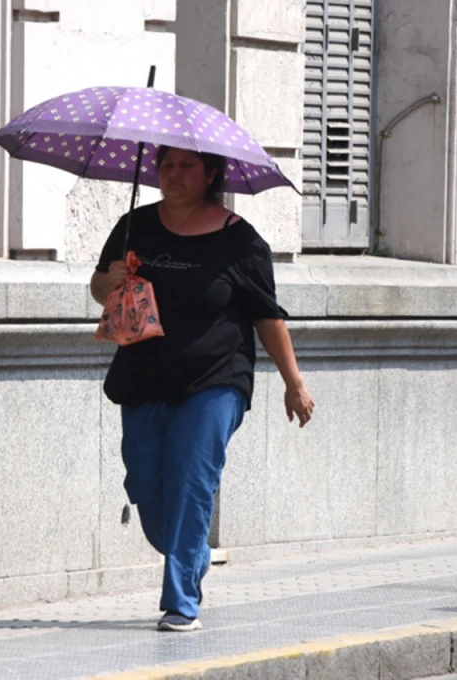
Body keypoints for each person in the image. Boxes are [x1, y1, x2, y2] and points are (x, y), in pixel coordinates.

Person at [91, 146, 315, 632]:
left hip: (216, 379)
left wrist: (293, 382)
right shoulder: (135, 225)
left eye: (186, 166)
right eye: (166, 165)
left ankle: (180, 602)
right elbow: (98, 286)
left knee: (192, 478)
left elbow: (266, 315)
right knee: (148, 487)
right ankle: (190, 553)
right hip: (144, 375)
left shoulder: (241, 241)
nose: (174, 174)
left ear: (211, 174)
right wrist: (111, 278)